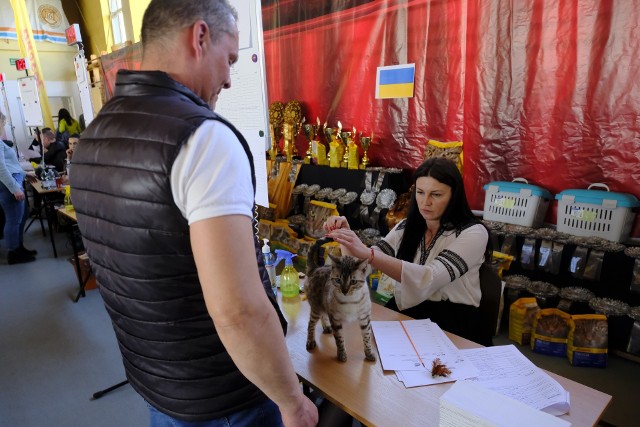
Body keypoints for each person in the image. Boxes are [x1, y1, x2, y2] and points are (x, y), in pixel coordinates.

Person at [69, 1, 318, 426]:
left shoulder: (95, 136)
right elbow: (237, 310)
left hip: (157, 383)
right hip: (224, 397)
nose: (228, 77)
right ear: (200, 37)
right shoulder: (203, 138)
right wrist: (292, 399)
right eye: (229, 59)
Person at [325, 157, 493, 345]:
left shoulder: (474, 232)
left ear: (454, 196)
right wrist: (345, 236)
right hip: (410, 311)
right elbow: (360, 269)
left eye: (436, 195)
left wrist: (369, 254)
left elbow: (429, 278)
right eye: (420, 192)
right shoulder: (407, 226)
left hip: (455, 322)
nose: (425, 202)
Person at [1, 135, 38, 264]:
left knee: (22, 216)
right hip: (9, 184)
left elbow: (10, 165)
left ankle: (19, 247)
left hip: (15, 178)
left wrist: (24, 174)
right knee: (14, 219)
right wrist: (14, 188)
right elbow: (1, 168)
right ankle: (13, 252)